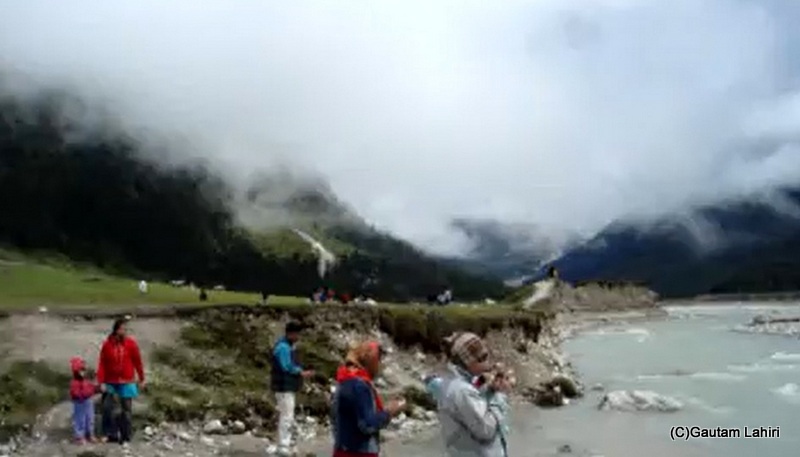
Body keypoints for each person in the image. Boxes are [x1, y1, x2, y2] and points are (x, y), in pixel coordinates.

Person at [435, 332, 511, 457]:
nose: (488, 363)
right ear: (468, 362)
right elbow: (486, 430)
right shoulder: (462, 391)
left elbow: (476, 392)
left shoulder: (454, 381)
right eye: (482, 358)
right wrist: (499, 395)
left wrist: (490, 388)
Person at [331, 341, 406, 457]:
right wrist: (389, 412)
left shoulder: (344, 380)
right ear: (369, 360)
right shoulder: (359, 385)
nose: (380, 364)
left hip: (342, 449)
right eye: (378, 359)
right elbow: (367, 425)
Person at [96, 318, 145, 445]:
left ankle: (126, 435)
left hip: (127, 380)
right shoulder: (107, 345)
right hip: (110, 380)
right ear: (117, 330)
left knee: (126, 409)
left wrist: (141, 378)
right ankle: (109, 434)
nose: (125, 331)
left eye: (126, 329)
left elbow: (137, 361)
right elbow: (102, 363)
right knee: (107, 407)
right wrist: (101, 381)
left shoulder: (131, 344)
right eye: (123, 329)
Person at [271, 322, 315, 456]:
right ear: (291, 333)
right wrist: (302, 372)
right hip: (284, 387)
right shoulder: (283, 347)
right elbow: (287, 367)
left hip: (285, 387)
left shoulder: (285, 346)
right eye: (297, 334)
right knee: (287, 416)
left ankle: (285, 444)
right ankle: (284, 446)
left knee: (286, 415)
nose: (298, 337)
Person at [69, 357, 98, 444]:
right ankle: (79, 436)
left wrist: (93, 389)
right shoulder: (75, 382)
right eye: (80, 370)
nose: (82, 372)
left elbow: (91, 388)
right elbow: (75, 393)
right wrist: (82, 395)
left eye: (83, 370)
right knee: (80, 419)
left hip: (88, 401)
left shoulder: (86, 380)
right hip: (79, 402)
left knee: (90, 418)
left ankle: (90, 434)